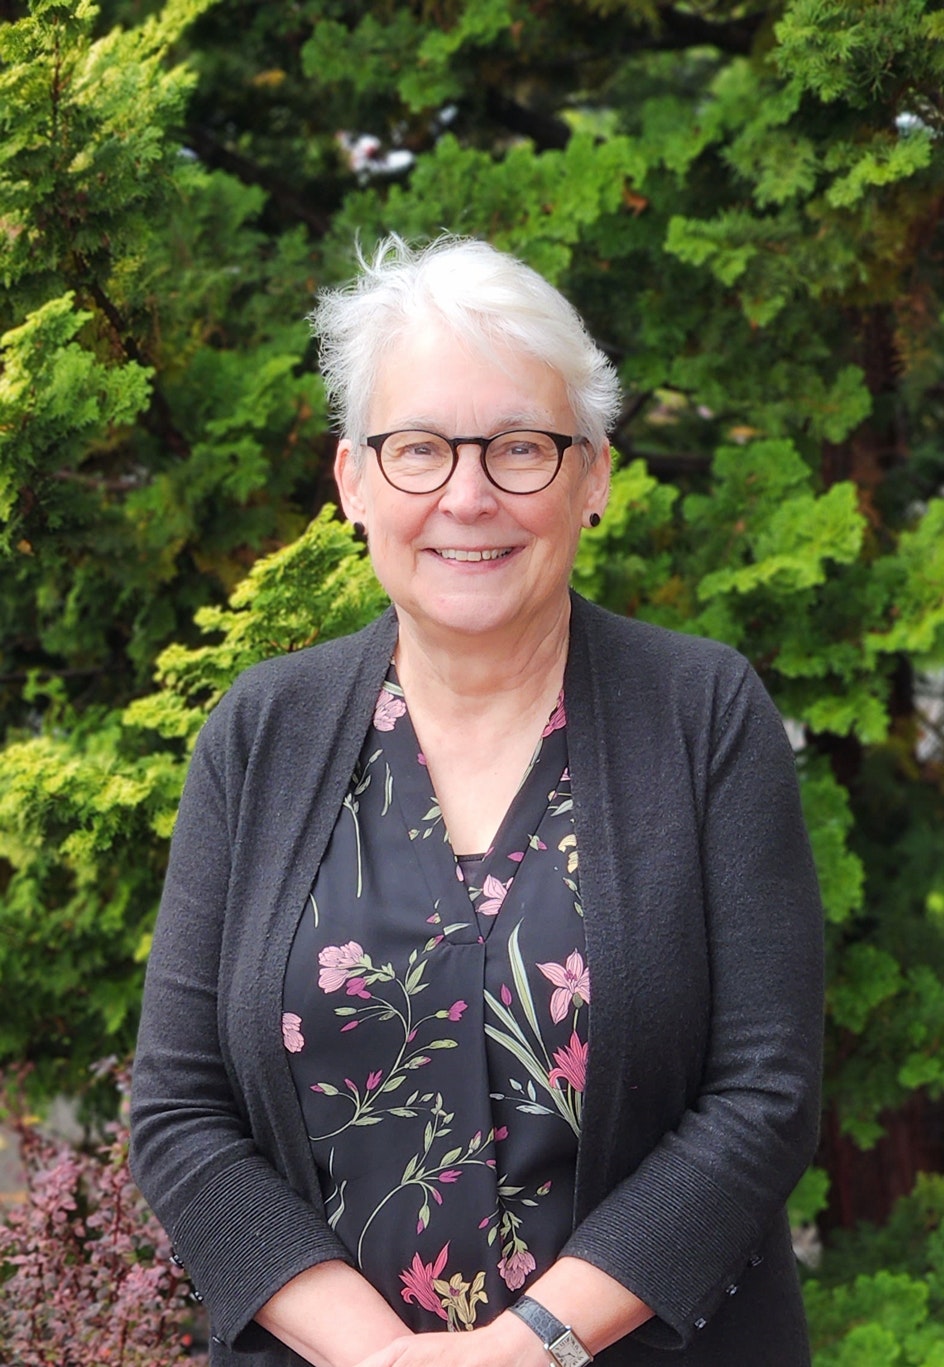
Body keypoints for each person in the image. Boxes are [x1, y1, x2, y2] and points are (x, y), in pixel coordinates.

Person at [130, 235, 824, 1367]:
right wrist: (380, 1356)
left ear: (591, 475)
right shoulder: (262, 732)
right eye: (416, 449)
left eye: (519, 447)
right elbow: (177, 1109)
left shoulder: (702, 712)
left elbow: (764, 1092)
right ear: (352, 480)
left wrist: (527, 1346)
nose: (466, 495)